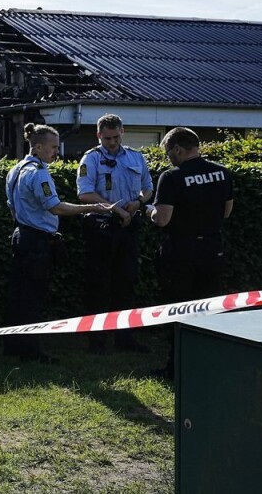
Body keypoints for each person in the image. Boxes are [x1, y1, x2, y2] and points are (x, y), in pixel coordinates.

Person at [5, 123, 125, 363]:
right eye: (52, 147)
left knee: (19, 295)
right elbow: (56, 207)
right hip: (37, 241)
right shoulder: (38, 172)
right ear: (38, 147)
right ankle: (31, 351)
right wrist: (93, 207)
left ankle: (13, 346)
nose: (56, 151)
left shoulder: (16, 169)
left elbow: (11, 206)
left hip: (22, 235)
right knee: (34, 297)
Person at [146, 127, 234, 377]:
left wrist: (148, 211)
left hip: (181, 251)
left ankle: (177, 367)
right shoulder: (222, 172)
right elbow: (227, 212)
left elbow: (162, 219)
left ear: (177, 149)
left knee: (179, 308)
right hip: (212, 248)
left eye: (168, 152)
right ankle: (206, 363)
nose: (168, 158)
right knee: (208, 307)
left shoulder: (172, 176)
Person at [76, 114, 153, 354]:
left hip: (129, 226)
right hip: (101, 227)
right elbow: (84, 194)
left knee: (126, 283)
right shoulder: (91, 159)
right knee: (97, 286)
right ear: (98, 135)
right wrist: (115, 209)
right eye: (107, 138)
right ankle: (96, 342)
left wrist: (138, 202)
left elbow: (148, 187)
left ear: (123, 131)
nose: (111, 142)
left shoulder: (135, 156)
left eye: (116, 136)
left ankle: (125, 339)